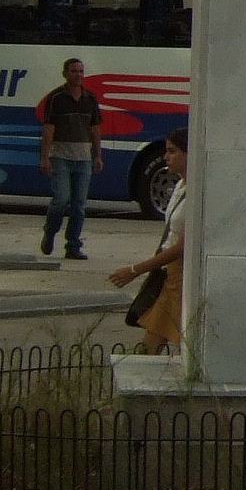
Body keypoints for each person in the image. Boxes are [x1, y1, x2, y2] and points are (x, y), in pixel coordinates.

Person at [110, 129, 188, 352]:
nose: (166, 157)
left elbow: (181, 247)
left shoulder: (197, 192)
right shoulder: (179, 186)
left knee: (176, 338)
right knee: (153, 339)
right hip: (169, 273)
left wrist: (136, 269)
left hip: (181, 275)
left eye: (172, 152)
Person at [37, 57, 103, 260]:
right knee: (61, 199)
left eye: (81, 71)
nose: (78, 75)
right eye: (74, 71)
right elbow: (49, 129)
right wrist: (45, 157)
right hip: (61, 156)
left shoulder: (90, 99)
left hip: (83, 158)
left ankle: (73, 245)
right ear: (65, 73)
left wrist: (97, 155)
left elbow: (95, 129)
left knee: (79, 204)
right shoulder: (56, 98)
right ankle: (50, 231)